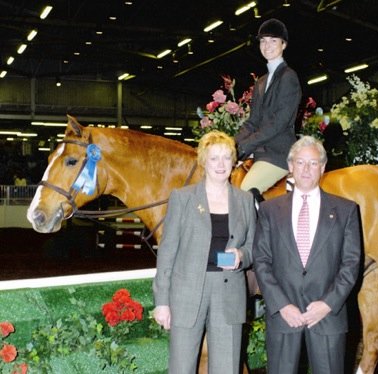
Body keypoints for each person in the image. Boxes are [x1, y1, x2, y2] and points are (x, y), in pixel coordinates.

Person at [253, 136, 362, 373]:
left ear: (323, 168)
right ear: (290, 166)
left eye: (313, 163)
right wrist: (282, 305)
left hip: (327, 316)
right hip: (284, 316)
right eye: (300, 162)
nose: (306, 169)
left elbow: (351, 263)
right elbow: (261, 260)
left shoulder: (346, 210)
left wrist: (328, 304)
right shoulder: (269, 210)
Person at [153, 130, 256, 373]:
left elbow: (254, 247)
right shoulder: (183, 198)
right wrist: (162, 302)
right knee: (181, 367)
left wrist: (242, 256)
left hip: (228, 293)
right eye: (214, 158)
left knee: (227, 368)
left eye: (226, 157)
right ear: (203, 162)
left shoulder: (244, 200)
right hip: (187, 294)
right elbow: (167, 251)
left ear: (233, 162)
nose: (220, 164)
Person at [235, 18, 302, 202]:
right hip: (260, 153)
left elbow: (278, 124)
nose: (267, 45)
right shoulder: (261, 81)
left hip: (278, 154)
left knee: (244, 192)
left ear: (284, 45)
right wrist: (230, 145)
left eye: (273, 40)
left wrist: (245, 146)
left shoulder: (289, 77)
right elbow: (253, 122)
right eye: (263, 41)